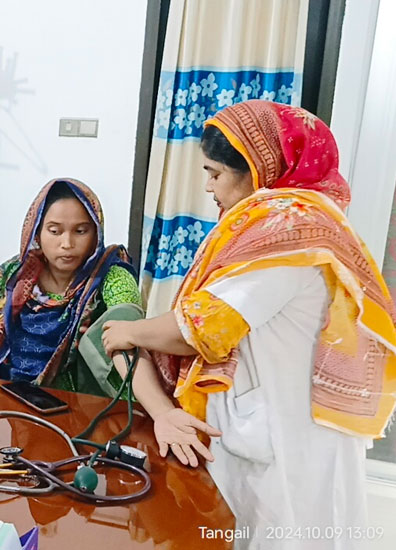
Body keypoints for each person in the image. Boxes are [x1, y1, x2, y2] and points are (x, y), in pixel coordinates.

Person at [101, 100, 396, 547]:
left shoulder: (288, 229)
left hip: (290, 434)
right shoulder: (289, 221)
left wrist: (128, 332)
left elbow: (202, 328)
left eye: (215, 173)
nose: (208, 186)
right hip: (273, 420)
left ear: (259, 168)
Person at [0, 178, 142, 395]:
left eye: (80, 231)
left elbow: (129, 338)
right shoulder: (14, 276)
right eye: (55, 231)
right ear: (36, 232)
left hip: (82, 403)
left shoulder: (111, 278)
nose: (67, 244)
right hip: (11, 393)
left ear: (96, 233)